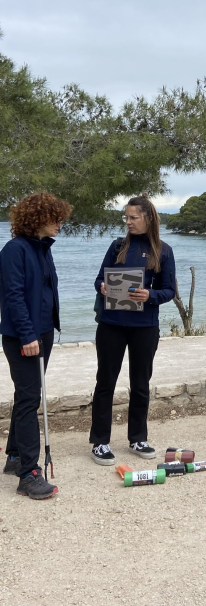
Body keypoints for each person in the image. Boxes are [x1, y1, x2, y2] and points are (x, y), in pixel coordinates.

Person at [89, 195, 176, 465]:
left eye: (133, 217)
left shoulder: (164, 250)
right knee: (105, 383)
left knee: (140, 385)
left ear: (148, 218)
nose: (128, 222)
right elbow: (98, 279)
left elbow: (169, 290)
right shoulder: (117, 247)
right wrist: (102, 287)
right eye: (125, 217)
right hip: (111, 325)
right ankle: (100, 442)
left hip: (144, 327)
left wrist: (149, 295)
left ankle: (137, 438)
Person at [0, 192, 72, 500]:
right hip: (23, 336)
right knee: (31, 400)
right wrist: (28, 335)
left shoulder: (43, 249)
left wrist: (41, 333)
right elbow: (13, 296)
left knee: (26, 395)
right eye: (55, 218)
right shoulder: (14, 250)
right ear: (37, 218)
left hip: (41, 332)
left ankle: (15, 456)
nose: (60, 224)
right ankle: (29, 474)